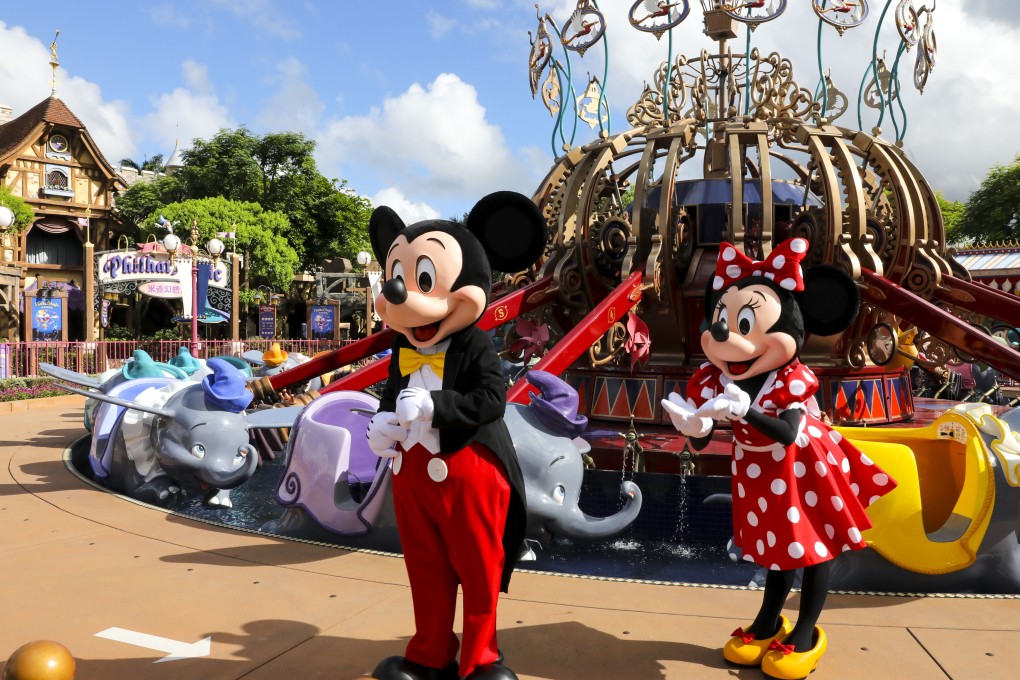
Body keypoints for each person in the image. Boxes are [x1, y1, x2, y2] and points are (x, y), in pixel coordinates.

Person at [662, 238, 897, 680]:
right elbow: (705, 432)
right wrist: (695, 431)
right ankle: (769, 622)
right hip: (758, 470)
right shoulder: (714, 377)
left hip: (805, 468)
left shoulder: (789, 377)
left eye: (746, 322)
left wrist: (743, 410)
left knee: (812, 546)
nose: (725, 335)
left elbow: (788, 432)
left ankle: (806, 630)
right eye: (722, 321)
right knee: (776, 548)